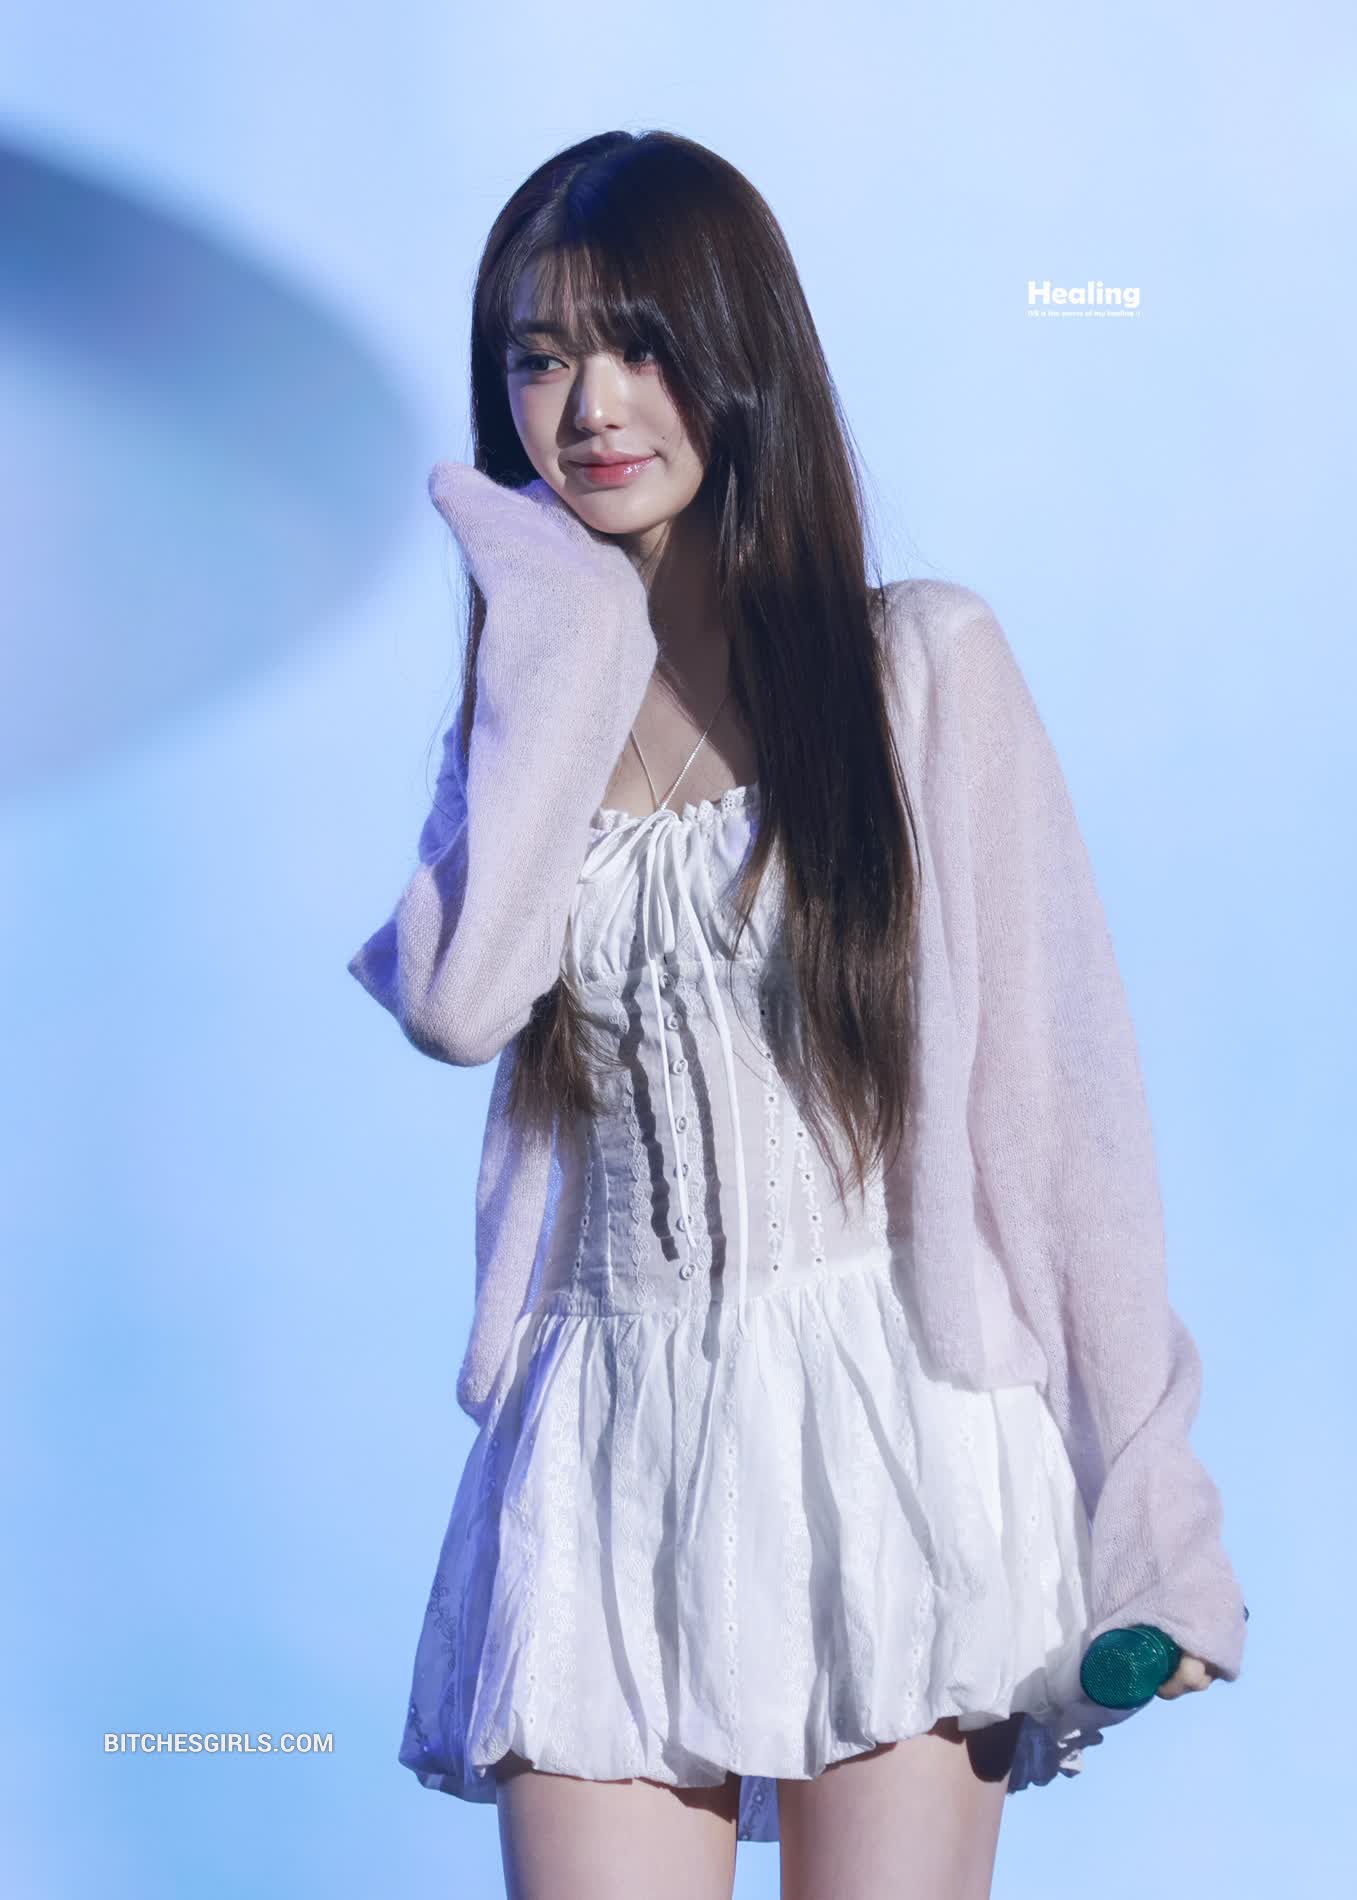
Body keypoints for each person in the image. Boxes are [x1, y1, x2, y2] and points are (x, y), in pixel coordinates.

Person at [346, 130, 1246, 1900]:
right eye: (538, 357)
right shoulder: (526, 725)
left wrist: (1153, 1522)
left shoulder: (920, 665)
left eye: (639, 344)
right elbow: (456, 1008)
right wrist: (561, 647)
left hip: (892, 1425)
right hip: (605, 1434)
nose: (589, 405)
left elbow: (1064, 1129)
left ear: (736, 354)